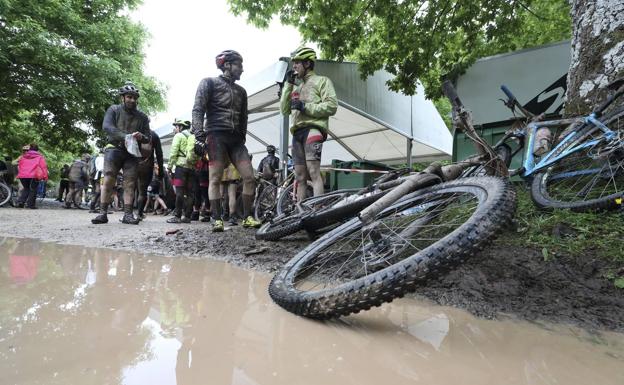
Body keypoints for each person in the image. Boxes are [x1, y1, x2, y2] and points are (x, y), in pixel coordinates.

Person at [191, 49, 261, 232]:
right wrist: (199, 136)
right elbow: (198, 110)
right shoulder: (209, 83)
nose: (242, 69)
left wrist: (242, 136)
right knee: (214, 178)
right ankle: (216, 219)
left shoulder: (241, 91)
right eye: (240, 65)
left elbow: (244, 117)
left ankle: (246, 218)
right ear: (227, 65)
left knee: (249, 177)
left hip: (236, 140)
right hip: (216, 136)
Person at [280, 47, 337, 201]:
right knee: (299, 177)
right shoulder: (297, 87)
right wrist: (288, 85)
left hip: (313, 129)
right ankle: (299, 213)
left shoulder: (322, 81)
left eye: (297, 63)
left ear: (307, 63)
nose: (294, 67)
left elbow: (332, 106)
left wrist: (305, 107)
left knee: (313, 172)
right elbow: (284, 110)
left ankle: (318, 210)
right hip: (297, 133)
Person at [91, 81, 151, 225]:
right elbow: (107, 127)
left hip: (132, 152)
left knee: (130, 182)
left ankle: (128, 215)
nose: (132, 100)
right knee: (109, 178)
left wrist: (141, 137)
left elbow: (147, 137)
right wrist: (126, 136)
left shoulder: (142, 117)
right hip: (114, 148)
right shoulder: (114, 110)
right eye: (129, 97)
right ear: (122, 98)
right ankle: (102, 213)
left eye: (134, 98)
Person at [167, 119, 196, 224]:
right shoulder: (193, 137)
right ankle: (187, 216)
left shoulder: (178, 136)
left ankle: (177, 216)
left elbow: (173, 152)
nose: (175, 128)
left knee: (179, 193)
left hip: (180, 168)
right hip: (192, 168)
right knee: (190, 194)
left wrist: (169, 166)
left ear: (181, 127)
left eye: (176, 126)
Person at [136, 129, 164, 220]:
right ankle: (139, 214)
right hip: (146, 166)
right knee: (142, 191)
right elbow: (159, 154)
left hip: (133, 164)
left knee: (130, 188)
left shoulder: (134, 133)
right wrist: (161, 172)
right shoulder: (154, 135)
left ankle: (128, 213)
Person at [16, 143, 49, 209]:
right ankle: (30, 205)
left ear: (30, 149)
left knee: (26, 188)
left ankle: (21, 202)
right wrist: (45, 176)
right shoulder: (40, 157)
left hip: (23, 176)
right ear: (37, 149)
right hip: (34, 176)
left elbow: (20, 165)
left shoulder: (23, 156)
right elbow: (43, 167)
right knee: (33, 189)